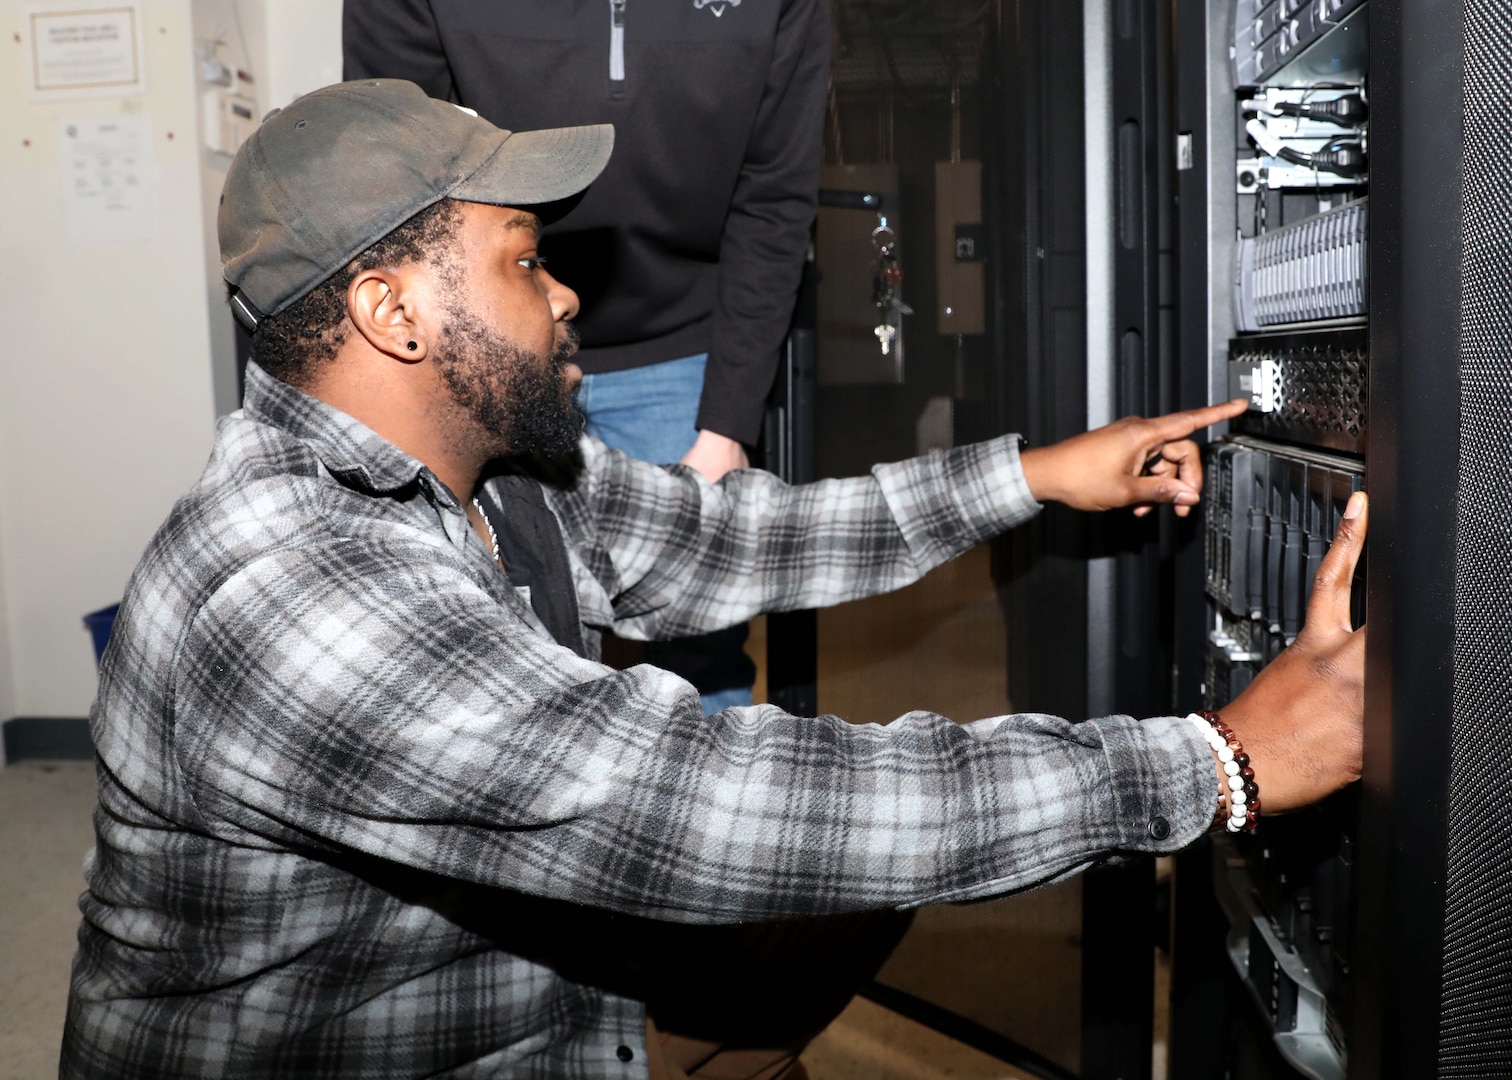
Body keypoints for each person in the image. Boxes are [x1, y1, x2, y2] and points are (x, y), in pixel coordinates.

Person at [61, 81, 1367, 1080]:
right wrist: (1217, 765)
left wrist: (1033, 475)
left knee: (856, 867)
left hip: (554, 1005)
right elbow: (696, 806)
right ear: (394, 315)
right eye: (522, 257)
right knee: (820, 826)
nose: (567, 295)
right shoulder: (290, 594)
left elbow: (734, 542)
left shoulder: (496, 474)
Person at [343, 0, 830, 715]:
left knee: (703, 635)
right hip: (491, 333)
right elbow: (395, 171)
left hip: (683, 343)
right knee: (482, 624)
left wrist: (725, 425)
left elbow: (775, 201)